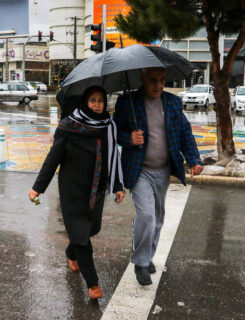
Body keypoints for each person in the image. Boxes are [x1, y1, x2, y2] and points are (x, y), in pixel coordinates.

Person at [28, 86, 125, 300]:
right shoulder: (69, 127)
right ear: (84, 102)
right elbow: (53, 159)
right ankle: (93, 285)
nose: (97, 105)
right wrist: (38, 187)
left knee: (91, 229)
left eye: (100, 100)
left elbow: (113, 158)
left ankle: (71, 252)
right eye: (92, 100)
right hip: (72, 189)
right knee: (81, 233)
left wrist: (117, 185)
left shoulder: (107, 126)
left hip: (96, 188)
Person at [114, 67, 203, 286]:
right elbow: (114, 131)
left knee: (158, 218)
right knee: (147, 216)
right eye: (153, 80)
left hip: (163, 169)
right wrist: (128, 138)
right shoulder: (128, 102)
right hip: (139, 170)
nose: (158, 85)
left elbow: (184, 132)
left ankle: (147, 255)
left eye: (162, 80)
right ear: (142, 78)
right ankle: (141, 263)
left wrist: (194, 160)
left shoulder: (172, 103)